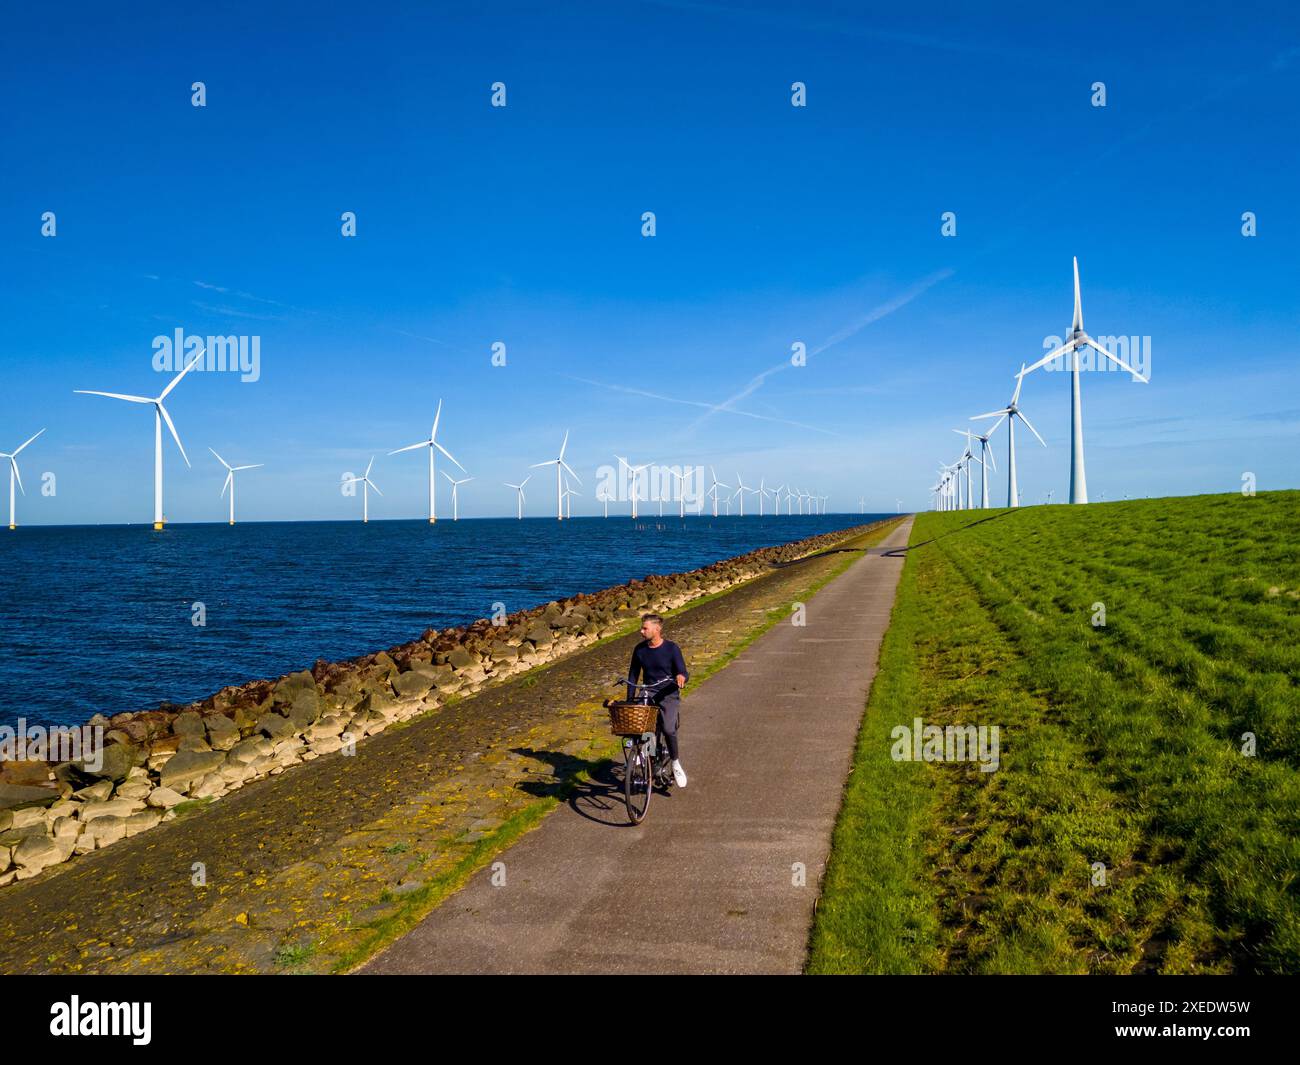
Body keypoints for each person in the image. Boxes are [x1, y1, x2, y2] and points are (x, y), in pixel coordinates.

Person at [626, 613, 689, 787]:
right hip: (649, 692)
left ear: (657, 629)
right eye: (642, 627)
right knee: (642, 727)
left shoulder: (671, 649)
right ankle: (649, 756)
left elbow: (683, 671)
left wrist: (681, 677)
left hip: (668, 693)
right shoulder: (639, 650)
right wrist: (630, 699)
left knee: (668, 729)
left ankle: (675, 763)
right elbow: (633, 675)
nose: (641, 631)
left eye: (645, 628)